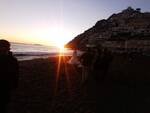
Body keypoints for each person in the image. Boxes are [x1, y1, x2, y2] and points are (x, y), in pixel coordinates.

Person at [0, 39, 19, 113]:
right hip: (6, 85)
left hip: (5, 86)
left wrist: (14, 85)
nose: (2, 48)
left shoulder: (13, 60)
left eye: (4, 47)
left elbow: (16, 73)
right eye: (1, 46)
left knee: (3, 104)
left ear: (8, 48)